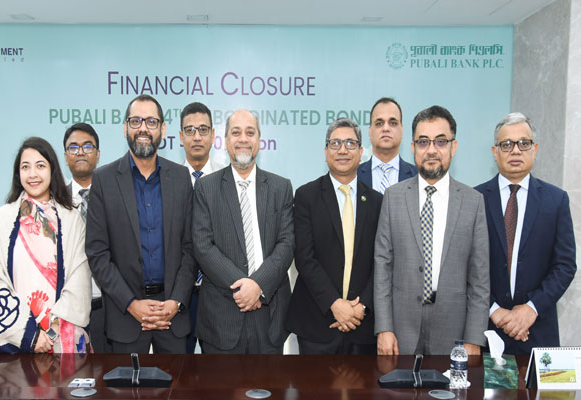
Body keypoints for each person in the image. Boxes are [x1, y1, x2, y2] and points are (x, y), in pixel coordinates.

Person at [374, 105, 490, 355]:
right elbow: (383, 266)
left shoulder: (473, 201)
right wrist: (384, 328)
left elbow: (479, 278)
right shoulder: (393, 197)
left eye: (440, 141)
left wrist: (474, 338)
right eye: (423, 142)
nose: (431, 150)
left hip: (454, 329)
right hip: (400, 327)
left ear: (453, 147)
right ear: (413, 147)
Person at [86, 94, 195, 354]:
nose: (143, 128)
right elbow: (98, 253)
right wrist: (131, 304)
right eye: (136, 121)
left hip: (172, 316)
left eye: (151, 122)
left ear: (163, 129)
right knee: (126, 383)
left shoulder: (181, 177)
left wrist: (176, 301)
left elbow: (191, 247)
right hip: (126, 316)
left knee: (176, 382)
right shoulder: (103, 180)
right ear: (125, 127)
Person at [193, 109, 294, 354]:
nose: (243, 139)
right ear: (225, 141)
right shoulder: (206, 187)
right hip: (222, 318)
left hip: (269, 316)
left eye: (250, 132)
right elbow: (203, 246)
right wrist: (244, 289)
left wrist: (258, 285)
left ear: (259, 140)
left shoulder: (281, 187)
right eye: (236, 133)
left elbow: (287, 243)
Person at [474, 112, 576, 354]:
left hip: (538, 331)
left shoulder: (556, 200)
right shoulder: (475, 199)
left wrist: (531, 308)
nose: (515, 151)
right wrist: (494, 310)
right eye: (506, 144)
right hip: (486, 331)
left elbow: (565, 265)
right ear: (495, 151)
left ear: (535, 149)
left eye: (523, 143)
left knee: (541, 383)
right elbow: (464, 264)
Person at [0, 137, 91, 353]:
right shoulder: (3, 218)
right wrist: (29, 334)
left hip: (60, 338)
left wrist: (52, 330)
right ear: (17, 173)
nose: (32, 174)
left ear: (52, 170)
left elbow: (79, 278)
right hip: (16, 338)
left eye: (40, 166)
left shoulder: (71, 219)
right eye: (25, 167)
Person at [287, 118, 382, 354]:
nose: (342, 150)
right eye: (335, 143)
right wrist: (334, 303)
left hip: (362, 325)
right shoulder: (306, 196)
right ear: (325, 151)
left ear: (361, 151)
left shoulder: (377, 201)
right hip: (316, 324)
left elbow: (381, 262)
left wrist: (362, 307)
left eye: (350, 143)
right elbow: (304, 258)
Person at [178, 101, 225, 353]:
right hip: (178, 296)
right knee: (177, 370)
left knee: (216, 371)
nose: (197, 137)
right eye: (190, 130)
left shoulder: (227, 180)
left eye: (203, 130)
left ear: (213, 135)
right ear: (180, 137)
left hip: (217, 294)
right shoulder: (168, 181)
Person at [62, 122, 107, 353]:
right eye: (73, 147)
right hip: (68, 312)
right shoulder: (54, 202)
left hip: (109, 309)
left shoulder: (115, 197)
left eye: (88, 146)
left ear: (98, 155)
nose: (80, 152)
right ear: (65, 156)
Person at [357, 97, 417, 193]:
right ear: (370, 131)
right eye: (379, 123)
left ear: (401, 130)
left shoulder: (418, 177)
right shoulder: (353, 176)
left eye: (393, 123)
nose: (386, 128)